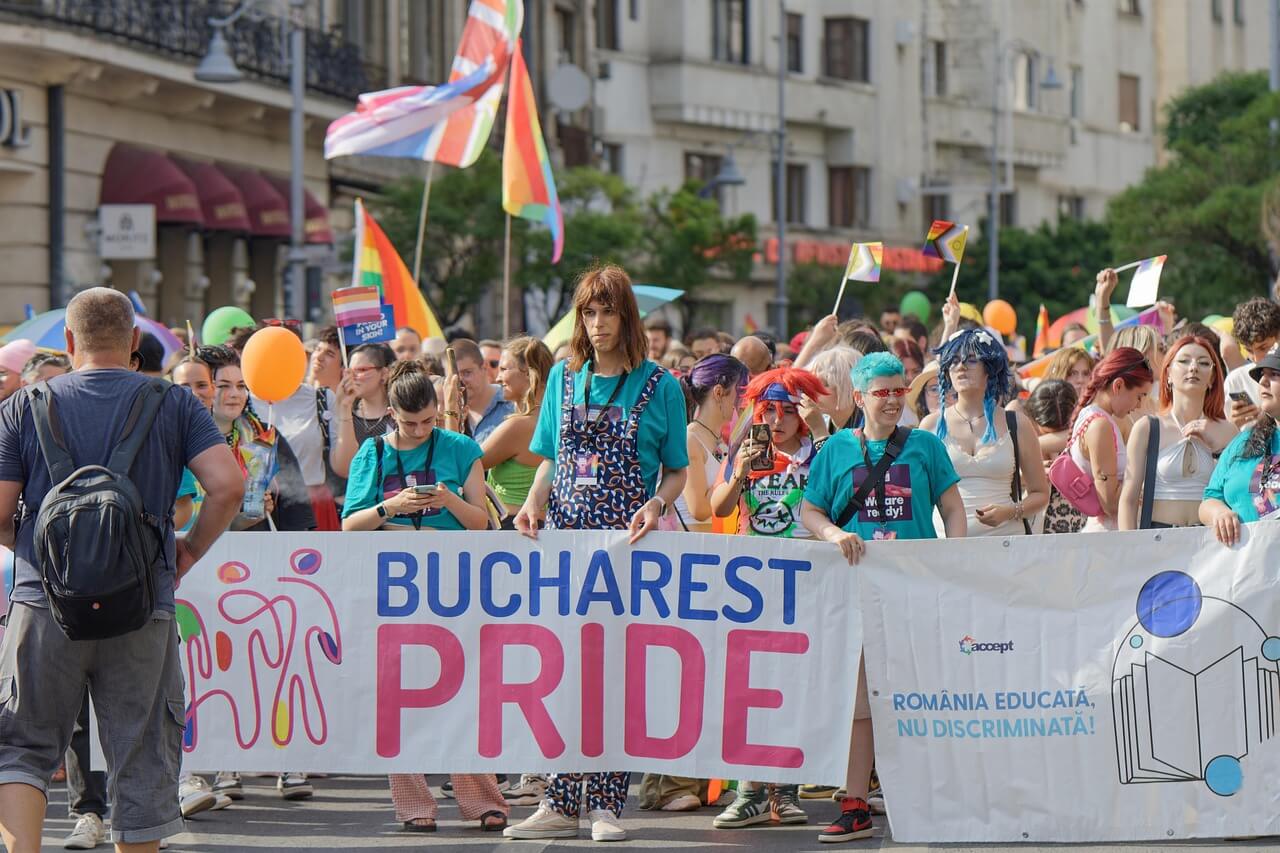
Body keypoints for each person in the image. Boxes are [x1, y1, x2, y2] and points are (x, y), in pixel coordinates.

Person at [0, 287, 243, 853]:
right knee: (141, 753)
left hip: (42, 602)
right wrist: (187, 552)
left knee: (22, 749)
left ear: (69, 339)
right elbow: (228, 486)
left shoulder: (24, 405)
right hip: (142, 602)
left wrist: (32, 548)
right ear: (134, 340)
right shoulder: (174, 402)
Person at [509, 265, 688, 843]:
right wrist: (532, 504)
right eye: (588, 312)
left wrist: (657, 504)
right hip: (565, 544)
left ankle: (607, 805)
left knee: (615, 676)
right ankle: (559, 802)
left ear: (626, 316)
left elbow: (677, 470)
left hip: (624, 549)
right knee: (562, 671)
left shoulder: (660, 385)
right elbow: (550, 459)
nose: (597, 323)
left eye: (608, 311)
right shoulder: (564, 379)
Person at [800, 352, 966, 843]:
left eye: (899, 390)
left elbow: (952, 507)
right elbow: (810, 510)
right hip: (855, 591)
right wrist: (833, 533)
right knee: (860, 701)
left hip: (915, 590)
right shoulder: (835, 450)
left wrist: (953, 560)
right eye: (882, 393)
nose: (893, 400)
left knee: (919, 695)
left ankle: (926, 798)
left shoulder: (924, 446)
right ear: (859, 397)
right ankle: (855, 804)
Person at [340, 361, 503, 832]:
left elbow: (480, 522)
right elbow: (350, 525)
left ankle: (482, 799)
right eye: (410, 423)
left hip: (454, 585)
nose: (420, 430)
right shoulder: (372, 453)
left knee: (464, 691)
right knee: (399, 695)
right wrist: (390, 506)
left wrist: (448, 500)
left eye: (429, 421)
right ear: (391, 414)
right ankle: (414, 804)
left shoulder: (460, 447)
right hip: (392, 589)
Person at [709, 367, 830, 831]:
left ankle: (785, 791)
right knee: (749, 688)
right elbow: (718, 507)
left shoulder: (820, 455)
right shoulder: (745, 451)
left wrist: (821, 430)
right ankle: (749, 792)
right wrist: (740, 472)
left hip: (804, 583)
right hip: (751, 587)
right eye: (768, 411)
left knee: (792, 688)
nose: (777, 421)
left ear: (801, 416)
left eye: (786, 412)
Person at [922, 328, 1049, 537]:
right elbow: (919, 495)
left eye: (971, 360)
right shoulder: (930, 426)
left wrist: (1010, 512)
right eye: (954, 361)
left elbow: (1041, 493)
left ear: (989, 368)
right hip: (947, 546)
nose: (961, 366)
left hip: (1006, 543)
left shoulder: (1017, 424)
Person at [1119, 335, 1236, 530]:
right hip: (1158, 537)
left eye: (1204, 363)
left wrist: (1217, 450)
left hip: (1210, 539)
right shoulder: (1147, 427)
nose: (1193, 367)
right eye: (1184, 361)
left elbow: (1236, 493)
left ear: (1212, 378)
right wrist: (1132, 547)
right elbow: (1128, 500)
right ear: (1168, 374)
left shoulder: (1228, 431)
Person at [1063, 347, 1154, 531]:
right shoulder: (1100, 426)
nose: (1139, 405)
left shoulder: (1092, 416)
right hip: (1110, 535)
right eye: (1139, 396)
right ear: (1118, 386)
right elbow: (1110, 504)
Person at [1201, 346, 1280, 544]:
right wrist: (1219, 513)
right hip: (1245, 560)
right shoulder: (1244, 441)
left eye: (1274, 374)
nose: (1263, 381)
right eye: (1262, 375)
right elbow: (1210, 498)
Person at [479, 337, 554, 521]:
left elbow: (463, 464)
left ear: (527, 372)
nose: (497, 378)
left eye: (504, 369)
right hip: (540, 523)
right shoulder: (555, 419)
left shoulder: (519, 426)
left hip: (513, 524)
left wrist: (450, 412)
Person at [1024, 379, 1086, 534]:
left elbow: (1079, 435)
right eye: (1048, 432)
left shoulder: (1085, 423)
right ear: (1033, 417)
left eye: (1062, 429)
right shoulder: (1018, 419)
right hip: (1032, 524)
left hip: (1077, 523)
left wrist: (1031, 445)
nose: (1056, 436)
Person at [331, 342, 396, 479]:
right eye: (349, 372)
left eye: (361, 370)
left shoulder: (399, 415)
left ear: (384, 373)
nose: (352, 377)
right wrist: (345, 407)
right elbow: (345, 470)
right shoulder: (347, 415)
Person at [441, 338, 514, 444]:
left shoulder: (511, 404)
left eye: (467, 373)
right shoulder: (440, 412)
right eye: (453, 375)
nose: (460, 381)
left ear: (484, 367)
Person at [1224, 297, 1280, 428]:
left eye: (1263, 348)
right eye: (1249, 350)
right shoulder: (1236, 380)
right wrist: (1234, 425)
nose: (1256, 359)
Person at [803, 346, 861, 434]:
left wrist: (819, 431)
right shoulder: (820, 420)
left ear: (848, 388)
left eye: (824, 384)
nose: (813, 390)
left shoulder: (870, 430)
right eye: (812, 383)